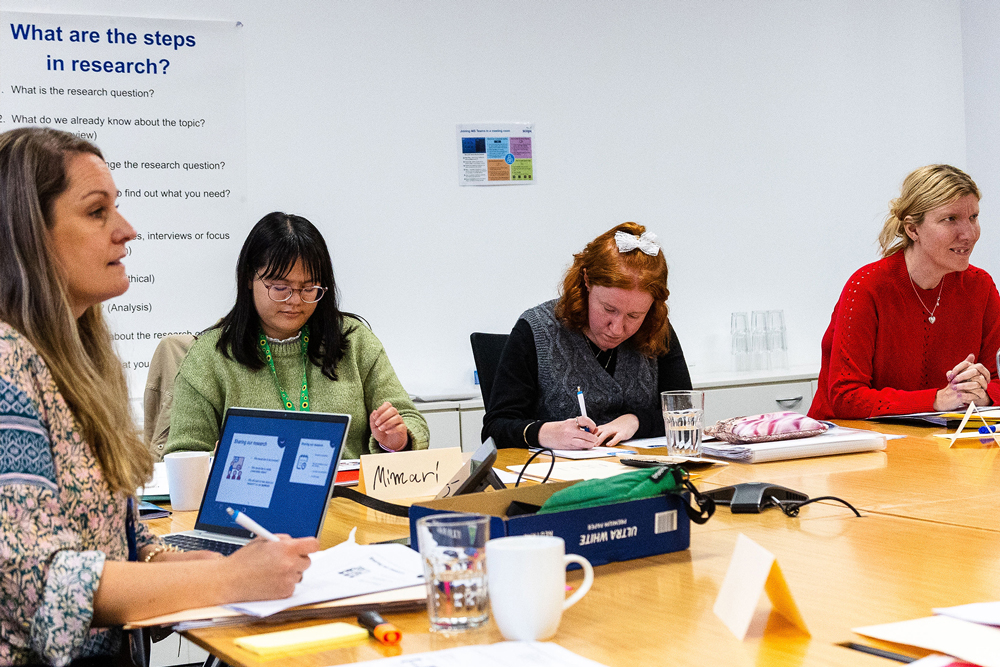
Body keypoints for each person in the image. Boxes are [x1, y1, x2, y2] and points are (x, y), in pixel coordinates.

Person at [0, 127, 317, 665]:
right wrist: (227, 578)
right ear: (27, 232)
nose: (126, 230)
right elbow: (41, 585)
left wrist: (171, 561)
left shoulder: (74, 357)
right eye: (97, 211)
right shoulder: (7, 365)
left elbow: (112, 534)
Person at [164, 212, 429, 460]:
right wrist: (216, 461)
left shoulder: (353, 340)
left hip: (349, 499)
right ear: (248, 278)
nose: (295, 301)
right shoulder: (210, 356)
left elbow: (409, 419)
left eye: (309, 288)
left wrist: (395, 440)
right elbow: (183, 454)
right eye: (280, 287)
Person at [809, 164, 1000, 420]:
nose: (969, 233)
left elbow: (996, 380)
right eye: (950, 219)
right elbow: (847, 396)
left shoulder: (981, 286)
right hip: (851, 445)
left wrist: (981, 394)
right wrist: (937, 399)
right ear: (913, 229)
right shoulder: (867, 287)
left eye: (973, 217)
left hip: (932, 442)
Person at [482, 222, 692, 450]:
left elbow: (685, 413)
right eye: (609, 310)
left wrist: (635, 421)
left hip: (641, 476)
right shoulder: (537, 329)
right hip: (558, 480)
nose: (617, 328)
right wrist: (544, 432)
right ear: (587, 281)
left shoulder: (655, 327)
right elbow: (495, 428)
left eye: (634, 315)